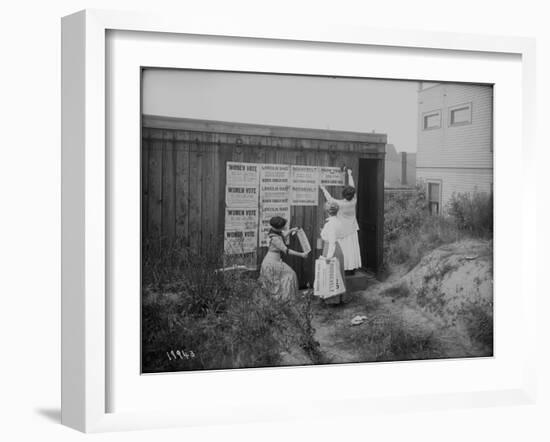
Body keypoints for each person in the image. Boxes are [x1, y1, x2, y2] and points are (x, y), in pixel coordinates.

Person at [319, 167, 362, 274]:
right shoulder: (354, 201)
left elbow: (330, 199)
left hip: (342, 231)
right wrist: (350, 174)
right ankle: (352, 269)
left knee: (344, 251)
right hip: (352, 230)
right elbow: (352, 187)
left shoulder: (340, 204)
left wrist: (323, 188)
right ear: (352, 195)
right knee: (352, 251)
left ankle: (343, 268)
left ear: (343, 194)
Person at [258, 216, 309, 299]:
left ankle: (283, 298)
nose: (285, 227)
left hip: (274, 260)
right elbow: (287, 250)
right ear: (279, 228)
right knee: (290, 275)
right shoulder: (275, 238)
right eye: (283, 226)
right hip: (272, 263)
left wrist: (292, 230)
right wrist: (301, 254)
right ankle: (286, 298)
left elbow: (283, 235)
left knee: (285, 277)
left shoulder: (274, 232)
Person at [319, 201, 347, 303]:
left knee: (330, 273)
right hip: (338, 248)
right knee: (337, 273)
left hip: (331, 249)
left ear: (327, 211)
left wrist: (328, 257)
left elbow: (331, 242)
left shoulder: (330, 224)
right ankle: (339, 298)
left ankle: (332, 300)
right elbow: (341, 235)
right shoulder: (338, 222)